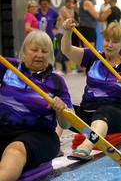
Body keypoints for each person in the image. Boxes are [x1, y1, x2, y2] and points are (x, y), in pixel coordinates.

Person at [61, 18, 121, 161]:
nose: (109, 45)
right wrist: (67, 31)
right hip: (87, 113)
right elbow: (66, 50)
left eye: (114, 41)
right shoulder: (93, 56)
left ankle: (86, 147)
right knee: (61, 108)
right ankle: (54, 145)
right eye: (107, 40)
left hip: (116, 116)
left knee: (103, 111)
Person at [0, 30, 74, 180]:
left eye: (44, 51)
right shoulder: (9, 67)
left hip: (40, 136)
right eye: (34, 50)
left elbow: (67, 124)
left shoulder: (56, 81)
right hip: (4, 130)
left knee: (15, 150)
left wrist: (61, 110)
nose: (39, 55)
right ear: (24, 52)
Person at [54, 0, 75, 75]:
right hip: (60, 33)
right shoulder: (63, 9)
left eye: (72, 2)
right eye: (69, 2)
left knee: (66, 50)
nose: (71, 4)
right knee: (61, 50)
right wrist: (73, 9)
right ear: (66, 2)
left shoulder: (70, 10)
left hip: (65, 33)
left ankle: (68, 69)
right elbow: (70, 18)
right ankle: (57, 69)